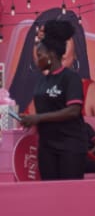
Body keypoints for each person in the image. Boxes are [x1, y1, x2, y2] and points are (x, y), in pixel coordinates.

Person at [17, 18, 89, 180]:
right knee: (49, 192)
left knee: (70, 195)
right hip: (47, 147)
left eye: (40, 55)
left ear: (50, 55)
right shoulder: (42, 81)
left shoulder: (70, 78)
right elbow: (43, 111)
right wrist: (30, 120)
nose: (37, 59)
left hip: (70, 146)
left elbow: (73, 111)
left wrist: (38, 118)